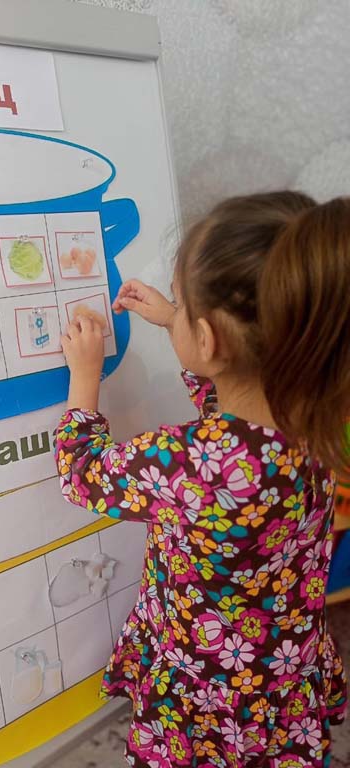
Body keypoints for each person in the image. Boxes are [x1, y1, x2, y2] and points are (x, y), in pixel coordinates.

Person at [54, 192, 349, 768]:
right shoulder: (317, 412)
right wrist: (175, 319)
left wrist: (85, 374)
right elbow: (234, 406)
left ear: (210, 339)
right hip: (282, 662)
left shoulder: (186, 460)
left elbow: (82, 474)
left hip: (204, 682)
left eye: (183, 305)